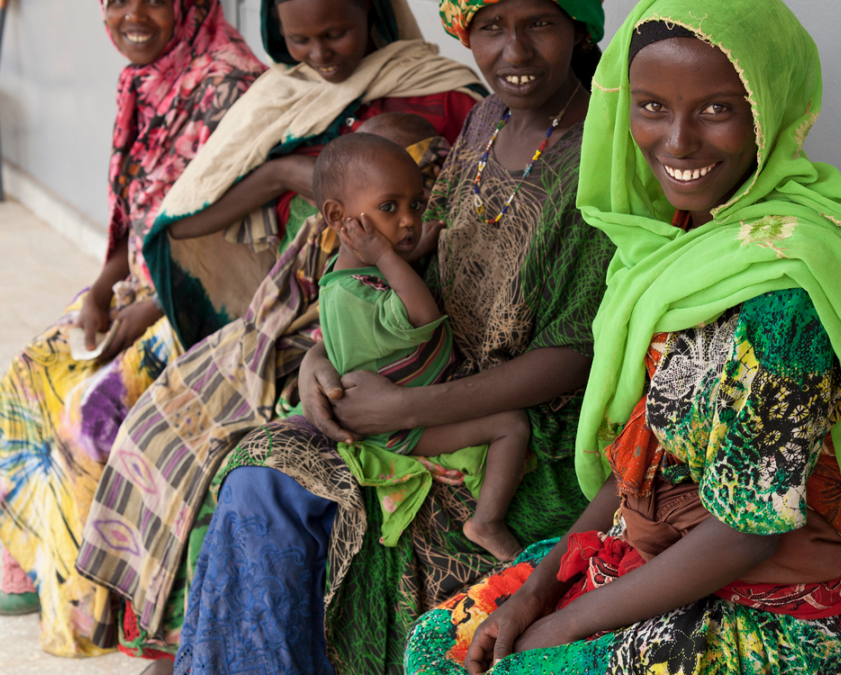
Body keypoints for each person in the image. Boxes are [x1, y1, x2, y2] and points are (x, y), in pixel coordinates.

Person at [403, 1, 841, 674]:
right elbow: (639, 455)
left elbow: (744, 533)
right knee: (440, 642)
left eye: (717, 109)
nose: (677, 140)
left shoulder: (787, 291)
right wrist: (535, 595)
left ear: (770, 112)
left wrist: (562, 624)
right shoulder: (682, 247)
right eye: (651, 106)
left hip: (781, 618)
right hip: (665, 556)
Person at [75, 0, 612, 672]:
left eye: (540, 23)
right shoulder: (484, 120)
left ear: (579, 28)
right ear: (464, 29)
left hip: (517, 431)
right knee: (256, 468)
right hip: (414, 369)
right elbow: (407, 256)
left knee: (314, 510)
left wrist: (408, 408)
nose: (516, 52)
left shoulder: (600, 157)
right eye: (492, 27)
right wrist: (324, 359)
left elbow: (576, 354)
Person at [0, 0, 264, 657]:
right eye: (116, 0)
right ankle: (34, 558)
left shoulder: (231, 88)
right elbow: (131, 218)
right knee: (29, 372)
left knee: (89, 414)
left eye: (155, 0)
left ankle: (87, 613)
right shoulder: (145, 77)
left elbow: (238, 246)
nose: (132, 15)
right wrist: (105, 288)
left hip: (209, 306)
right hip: (144, 288)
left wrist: (150, 307)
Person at [140, 0, 487, 350]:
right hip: (274, 320)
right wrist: (283, 173)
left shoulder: (442, 94)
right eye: (298, 39)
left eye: (335, 34)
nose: (319, 54)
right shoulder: (276, 98)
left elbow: (485, 213)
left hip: (395, 326)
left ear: (371, 10)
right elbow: (183, 225)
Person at [302, 132, 530, 560]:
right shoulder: (358, 296)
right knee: (512, 425)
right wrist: (391, 257)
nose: (408, 220)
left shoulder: (347, 270)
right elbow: (422, 314)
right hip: (399, 428)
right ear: (337, 216)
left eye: (415, 205)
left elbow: (393, 274)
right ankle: (487, 522)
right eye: (389, 207)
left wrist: (405, 251)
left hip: (408, 401)